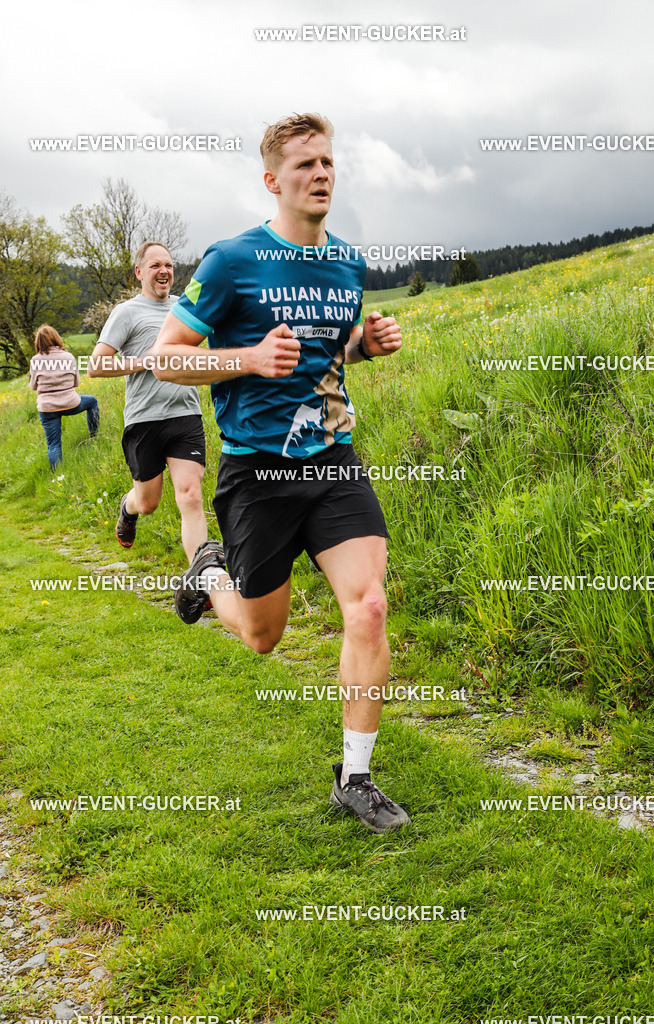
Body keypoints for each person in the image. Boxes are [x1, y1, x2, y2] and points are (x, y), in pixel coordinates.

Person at [151, 113, 410, 834]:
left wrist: (365, 346)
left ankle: (355, 777)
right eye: (305, 166)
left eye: (327, 162)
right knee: (264, 637)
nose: (321, 174)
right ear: (273, 180)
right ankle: (209, 574)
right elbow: (167, 357)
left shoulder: (347, 263)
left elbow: (328, 354)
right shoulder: (231, 260)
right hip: (257, 473)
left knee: (369, 607)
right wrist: (245, 359)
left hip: (332, 462)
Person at [87, 242, 209, 562]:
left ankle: (201, 574)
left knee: (191, 495)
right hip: (145, 419)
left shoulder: (185, 308)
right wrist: (147, 361)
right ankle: (128, 510)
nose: (164, 271)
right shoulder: (126, 312)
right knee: (148, 502)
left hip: (186, 414)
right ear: (140, 273)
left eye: (168, 265)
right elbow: (96, 365)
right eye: (155, 266)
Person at [30, 324, 100, 471]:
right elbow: (77, 383)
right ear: (56, 338)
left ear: (38, 342)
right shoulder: (68, 356)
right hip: (71, 403)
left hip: (47, 407)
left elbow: (33, 386)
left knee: (53, 444)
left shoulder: (35, 360)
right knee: (92, 401)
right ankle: (94, 435)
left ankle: (58, 476)